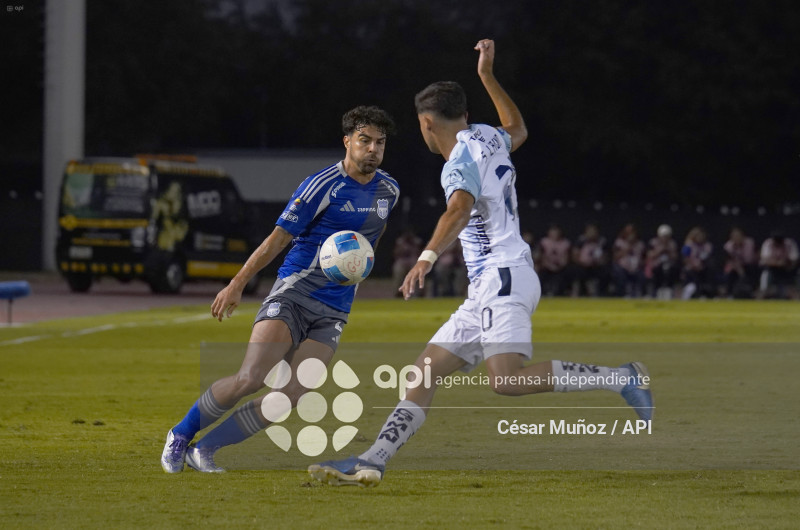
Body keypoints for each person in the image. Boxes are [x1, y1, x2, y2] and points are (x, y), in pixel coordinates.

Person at [308, 40, 652, 488]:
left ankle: (621, 377)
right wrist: (488, 76)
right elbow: (518, 128)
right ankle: (373, 460)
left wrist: (425, 258)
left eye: (419, 126)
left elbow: (459, 208)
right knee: (423, 371)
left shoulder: (456, 164)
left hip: (503, 276)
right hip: (493, 282)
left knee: (506, 381)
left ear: (427, 123)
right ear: (464, 115)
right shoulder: (486, 136)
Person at [160, 106, 399, 473]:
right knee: (250, 379)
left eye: (379, 143)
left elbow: (373, 237)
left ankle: (203, 449)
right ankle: (180, 434)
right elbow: (278, 239)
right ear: (347, 141)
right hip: (294, 295)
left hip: (334, 310)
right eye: (364, 140)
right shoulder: (322, 185)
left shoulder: (389, 190)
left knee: (290, 396)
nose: (372, 149)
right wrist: (237, 284)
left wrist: (358, 269)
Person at [757, 232, 799, 299]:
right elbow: (765, 260)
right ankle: (761, 296)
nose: (778, 244)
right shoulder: (768, 243)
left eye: (779, 242)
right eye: (776, 242)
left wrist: (786, 263)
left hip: (788, 269)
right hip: (772, 270)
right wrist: (777, 263)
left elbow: (795, 259)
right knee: (765, 274)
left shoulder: (789, 244)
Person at [571, 223, 608, 297]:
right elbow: (575, 255)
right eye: (589, 231)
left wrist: (599, 262)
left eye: (593, 231)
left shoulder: (601, 241)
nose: (591, 233)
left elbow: (606, 256)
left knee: (605, 272)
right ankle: (580, 292)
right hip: (583, 265)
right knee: (577, 271)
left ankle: (601, 293)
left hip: (597, 265)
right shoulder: (581, 240)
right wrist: (582, 262)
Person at [536, 224, 571, 296]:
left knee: (567, 273)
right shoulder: (544, 242)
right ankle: (541, 293)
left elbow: (566, 258)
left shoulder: (565, 243)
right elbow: (541, 256)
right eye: (552, 232)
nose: (554, 234)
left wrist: (559, 266)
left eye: (556, 232)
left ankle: (561, 293)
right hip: (546, 266)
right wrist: (549, 265)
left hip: (560, 267)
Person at [646, 224, 679, 299]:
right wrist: (660, 250)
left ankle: (671, 293)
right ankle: (654, 293)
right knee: (656, 271)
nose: (665, 238)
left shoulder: (672, 244)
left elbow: (675, 257)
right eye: (663, 236)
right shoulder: (653, 242)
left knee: (673, 271)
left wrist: (668, 251)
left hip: (670, 266)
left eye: (667, 236)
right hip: (656, 266)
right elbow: (650, 255)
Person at [612, 224, 645, 297]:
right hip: (623, 268)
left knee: (642, 275)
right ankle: (621, 295)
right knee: (620, 274)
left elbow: (644, 258)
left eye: (632, 232)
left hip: (637, 268)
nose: (630, 234)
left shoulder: (640, 244)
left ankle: (641, 295)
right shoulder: (619, 242)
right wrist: (628, 247)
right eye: (628, 232)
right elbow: (615, 257)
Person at [722, 227, 757, 298]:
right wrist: (738, 268)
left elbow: (748, 259)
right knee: (730, 272)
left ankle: (753, 292)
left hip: (748, 265)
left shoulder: (749, 243)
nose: (736, 238)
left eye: (738, 236)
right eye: (734, 236)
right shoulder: (728, 246)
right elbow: (730, 260)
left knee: (752, 270)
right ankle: (729, 293)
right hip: (734, 266)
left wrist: (741, 269)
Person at [680, 227, 714, 299]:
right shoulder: (688, 245)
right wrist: (694, 265)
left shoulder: (707, 246)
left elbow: (707, 256)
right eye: (698, 236)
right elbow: (685, 258)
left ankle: (707, 293)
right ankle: (693, 293)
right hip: (691, 268)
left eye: (701, 236)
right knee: (691, 273)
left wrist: (700, 265)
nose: (700, 237)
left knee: (710, 270)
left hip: (703, 267)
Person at [392, 228, 424, 297]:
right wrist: (402, 248)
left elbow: (421, 254)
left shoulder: (417, 241)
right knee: (398, 270)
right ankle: (399, 292)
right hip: (402, 261)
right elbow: (395, 254)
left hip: (414, 261)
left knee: (418, 270)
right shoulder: (400, 242)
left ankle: (418, 293)